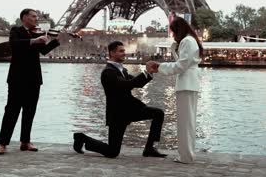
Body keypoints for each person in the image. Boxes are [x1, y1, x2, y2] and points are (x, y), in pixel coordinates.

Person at [72, 41, 167, 158]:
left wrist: (149, 74)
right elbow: (128, 84)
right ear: (112, 53)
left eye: (124, 51)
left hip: (130, 110)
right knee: (112, 152)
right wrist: (146, 72)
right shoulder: (108, 72)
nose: (124, 53)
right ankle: (81, 138)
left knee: (158, 114)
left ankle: (149, 148)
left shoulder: (122, 70)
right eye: (121, 51)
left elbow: (137, 84)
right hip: (118, 114)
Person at [0, 8, 62, 155]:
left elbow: (43, 51)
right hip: (17, 79)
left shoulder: (36, 32)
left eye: (36, 17)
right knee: (11, 111)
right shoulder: (16, 31)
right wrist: (34, 40)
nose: (36, 19)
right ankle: (2, 143)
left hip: (34, 79)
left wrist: (57, 41)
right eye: (33, 16)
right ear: (24, 17)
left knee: (29, 111)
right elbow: (15, 44)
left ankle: (25, 141)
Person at [147, 16, 203, 163]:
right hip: (190, 83)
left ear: (178, 30)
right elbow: (183, 63)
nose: (172, 35)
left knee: (185, 122)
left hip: (186, 83)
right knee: (187, 121)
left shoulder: (186, 41)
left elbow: (180, 66)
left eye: (173, 32)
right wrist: (173, 50)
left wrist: (159, 67)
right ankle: (187, 154)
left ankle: (186, 156)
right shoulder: (190, 41)